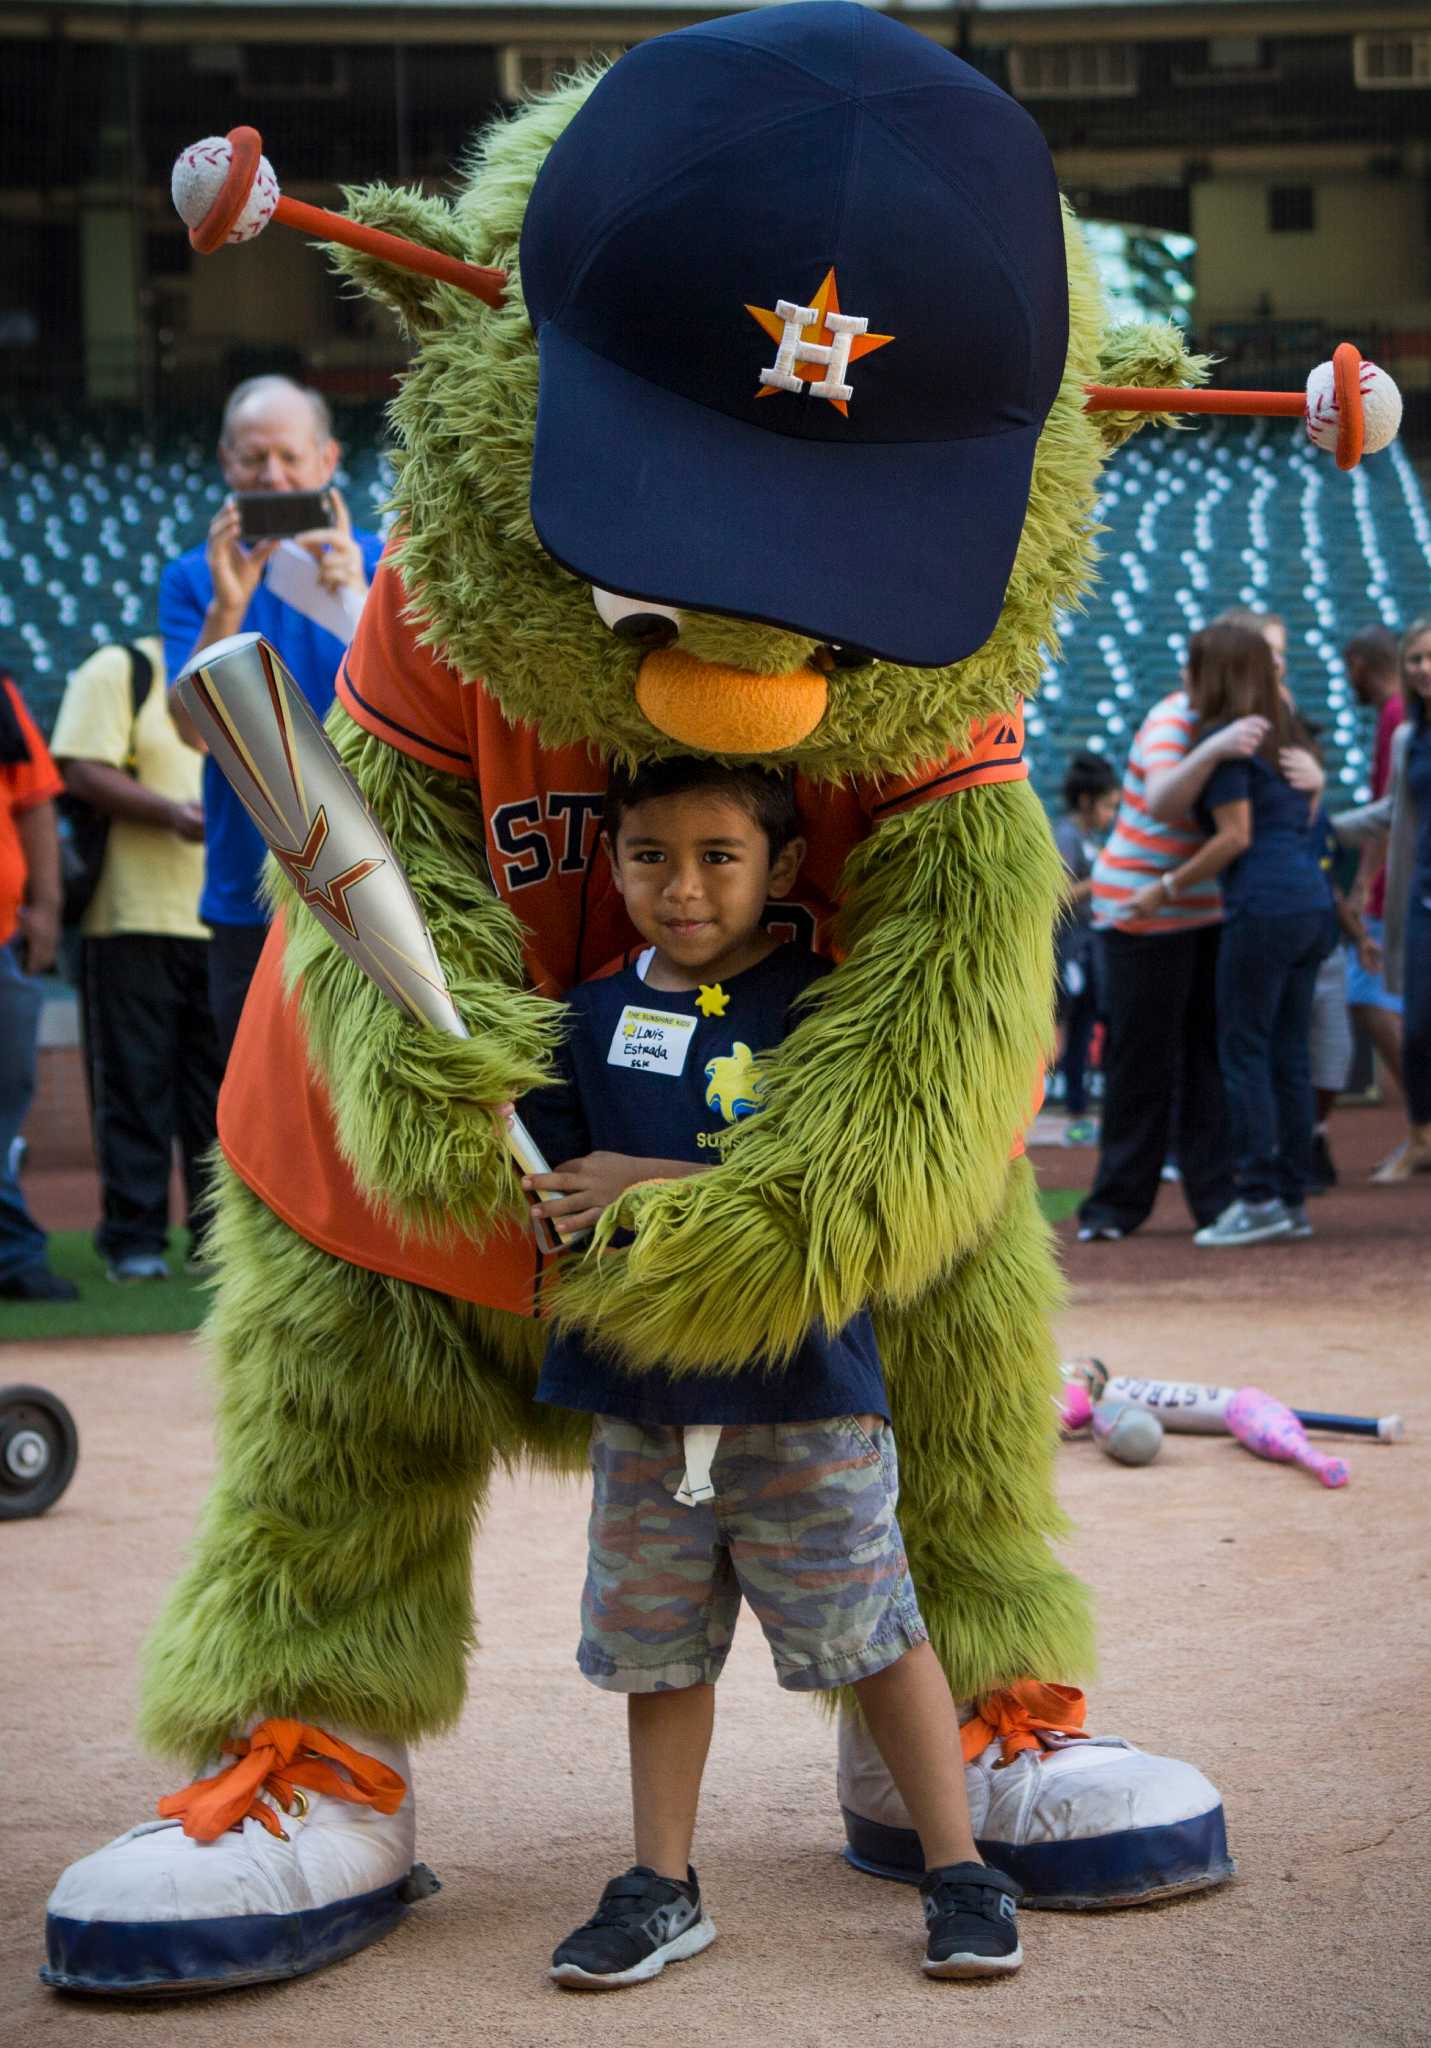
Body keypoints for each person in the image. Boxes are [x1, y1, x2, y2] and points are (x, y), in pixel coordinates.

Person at [516, 757, 1023, 1989]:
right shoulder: (580, 1017)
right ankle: (661, 1884)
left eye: (717, 856)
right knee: (659, 1650)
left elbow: (834, 1191)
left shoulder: (824, 1008)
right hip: (643, 1402)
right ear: (615, 861)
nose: (681, 887)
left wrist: (644, 1181)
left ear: (783, 866)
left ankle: (957, 1868)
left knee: (878, 1634)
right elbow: (557, 1198)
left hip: (805, 1398)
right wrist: (549, 1193)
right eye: (649, 857)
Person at [161, 375, 382, 1056]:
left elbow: (428, 716)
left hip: (376, 881)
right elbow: (194, 733)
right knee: (261, 1117)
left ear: (328, 460)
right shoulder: (193, 579)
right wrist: (226, 607)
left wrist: (358, 601)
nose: (273, 476)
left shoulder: (382, 565)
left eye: (289, 457)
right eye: (253, 458)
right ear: (227, 463)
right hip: (248, 890)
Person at [1154, 623, 1335, 1246]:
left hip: (1264, 909)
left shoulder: (1229, 740)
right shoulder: (1286, 731)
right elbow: (1312, 817)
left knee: (1245, 1053)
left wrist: (1167, 886)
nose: (1186, 676)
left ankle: (1258, 1196)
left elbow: (1236, 837)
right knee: (1288, 1054)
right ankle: (1289, 1196)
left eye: (1194, 664)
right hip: (1310, 905)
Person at [50, 637, 223, 1283]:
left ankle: (219, 1240)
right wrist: (169, 813)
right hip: (130, 917)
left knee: (220, 1096)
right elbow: (81, 767)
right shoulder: (126, 666)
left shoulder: (247, 666)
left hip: (220, 921)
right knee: (134, 1085)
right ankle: (133, 1240)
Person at [1332, 616, 1431, 1181]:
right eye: (1414, 658)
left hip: (1404, 892)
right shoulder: (1406, 731)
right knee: (1413, 1023)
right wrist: (1323, 825)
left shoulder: (1396, 719)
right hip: (1417, 896)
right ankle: (1421, 1136)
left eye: (1428, 657)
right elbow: (1392, 811)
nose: (1421, 669)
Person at [0, 669, 78, 1301]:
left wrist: (47, 906)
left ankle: (11, 1254)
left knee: (8, 1090)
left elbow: (33, 798)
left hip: (2, 937)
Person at [1339, 626, 1406, 1154]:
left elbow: (1390, 812)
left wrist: (1365, 881)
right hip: (1402, 877)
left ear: (1360, 663)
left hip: (1397, 882)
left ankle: (1423, 1114)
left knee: (1365, 992)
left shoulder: (1394, 714)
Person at [1052, 750, 1117, 1143]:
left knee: (1085, 1028)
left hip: (1090, 948)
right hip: (1068, 949)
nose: (1111, 815)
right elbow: (1056, 897)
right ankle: (1068, 1106)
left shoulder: (1089, 839)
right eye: (1109, 806)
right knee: (1067, 1029)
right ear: (1086, 801)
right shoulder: (1066, 836)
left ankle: (1080, 1106)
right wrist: (1102, 878)